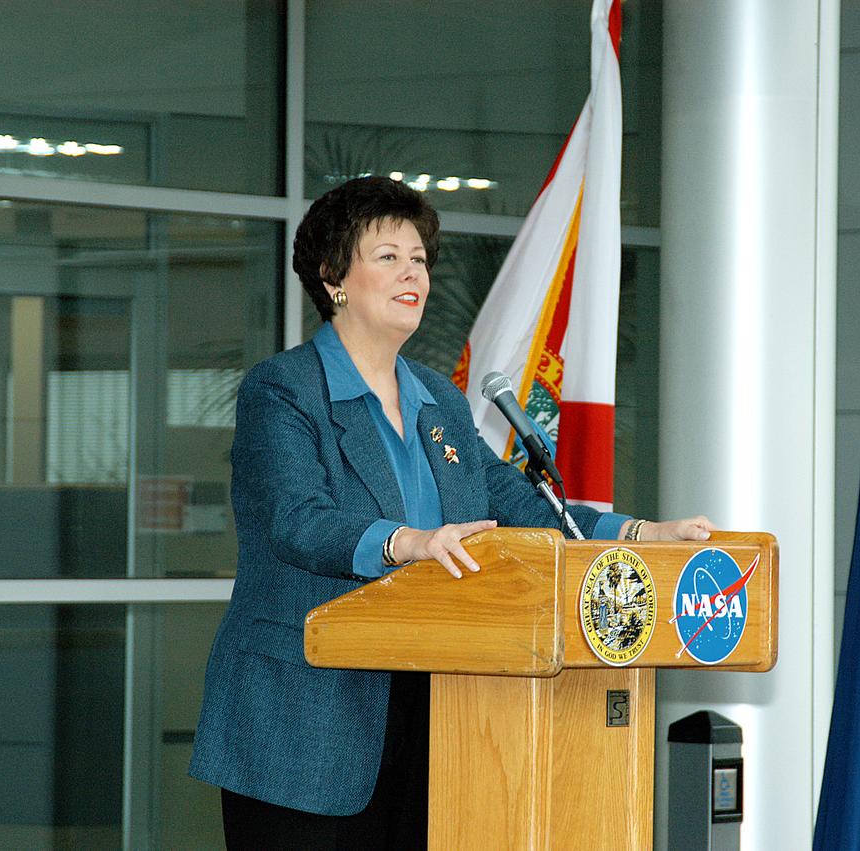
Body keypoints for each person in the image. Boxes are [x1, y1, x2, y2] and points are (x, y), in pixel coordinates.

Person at [189, 175, 715, 849]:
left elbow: (519, 504)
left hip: (440, 717)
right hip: (304, 727)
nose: (413, 273)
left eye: (419, 259)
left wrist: (641, 533)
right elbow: (296, 519)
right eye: (388, 257)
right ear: (332, 277)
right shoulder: (284, 389)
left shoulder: (438, 398)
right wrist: (406, 541)